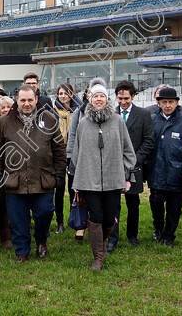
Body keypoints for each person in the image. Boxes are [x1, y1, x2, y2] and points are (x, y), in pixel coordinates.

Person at [0, 85, 66, 262]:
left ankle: (41, 241)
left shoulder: (49, 119)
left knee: (44, 212)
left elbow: (59, 149)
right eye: (22, 100)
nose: (26, 104)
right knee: (18, 219)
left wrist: (60, 173)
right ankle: (22, 249)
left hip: (43, 179)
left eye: (30, 100)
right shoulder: (5, 122)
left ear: (36, 100)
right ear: (17, 100)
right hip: (14, 181)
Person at [70, 79, 136, 270]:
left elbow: (128, 149)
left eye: (102, 96)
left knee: (109, 218)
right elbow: (77, 151)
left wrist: (126, 172)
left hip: (113, 178)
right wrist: (78, 175)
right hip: (89, 180)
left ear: (107, 100)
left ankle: (102, 243)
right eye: (95, 96)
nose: (99, 99)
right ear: (90, 100)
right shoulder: (83, 123)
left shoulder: (117, 121)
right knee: (96, 216)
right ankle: (98, 256)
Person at [148, 87, 182, 247]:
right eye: (164, 102)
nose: (168, 105)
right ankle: (158, 228)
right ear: (159, 103)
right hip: (156, 172)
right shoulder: (152, 120)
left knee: (174, 207)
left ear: (177, 103)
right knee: (156, 203)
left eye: (171, 102)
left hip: (177, 173)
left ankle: (169, 235)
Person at [107, 80, 155, 252]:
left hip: (134, 168)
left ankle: (132, 235)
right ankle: (113, 238)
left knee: (133, 203)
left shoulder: (143, 115)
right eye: (120, 98)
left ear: (133, 96)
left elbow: (149, 141)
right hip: (113, 167)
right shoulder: (111, 114)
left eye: (126, 98)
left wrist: (134, 160)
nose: (123, 102)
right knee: (113, 205)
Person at [66, 80, 94, 241]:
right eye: (89, 93)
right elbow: (73, 135)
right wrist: (70, 156)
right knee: (78, 192)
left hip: (98, 161)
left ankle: (94, 223)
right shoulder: (78, 112)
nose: (92, 96)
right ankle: (80, 225)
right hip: (80, 158)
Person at [53, 83, 81, 234]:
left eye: (66, 93)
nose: (63, 96)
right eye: (60, 93)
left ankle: (74, 217)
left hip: (73, 153)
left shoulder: (78, 111)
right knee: (58, 187)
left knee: (72, 187)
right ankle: (59, 222)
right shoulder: (53, 111)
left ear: (72, 94)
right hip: (58, 153)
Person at [0, 93, 15, 249]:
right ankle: (5, 235)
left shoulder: (17, 124)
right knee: (2, 205)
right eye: (3, 107)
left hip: (17, 168)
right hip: (1, 168)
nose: (6, 110)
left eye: (8, 107)